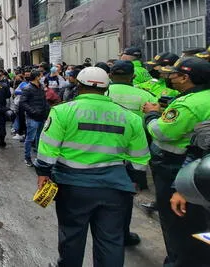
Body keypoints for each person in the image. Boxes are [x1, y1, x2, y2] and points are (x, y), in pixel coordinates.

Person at [35, 67, 150, 267]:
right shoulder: (130, 117)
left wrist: (43, 174)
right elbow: (140, 158)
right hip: (115, 188)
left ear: (78, 86)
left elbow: (48, 149)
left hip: (72, 187)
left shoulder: (62, 112)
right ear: (106, 89)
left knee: (71, 235)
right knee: (111, 240)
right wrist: (133, 182)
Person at [142, 57, 210, 266]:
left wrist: (152, 115)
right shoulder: (201, 98)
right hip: (199, 168)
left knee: (176, 221)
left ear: (184, 78)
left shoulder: (187, 104)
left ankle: (177, 260)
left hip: (176, 168)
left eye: (173, 73)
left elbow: (162, 132)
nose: (169, 76)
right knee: (199, 221)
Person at [106, 60, 159, 246]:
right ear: (133, 76)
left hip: (101, 154)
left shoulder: (102, 93)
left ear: (110, 75)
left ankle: (104, 232)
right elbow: (151, 127)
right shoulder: (146, 96)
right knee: (124, 198)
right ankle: (123, 233)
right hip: (130, 156)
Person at [19, 70, 50, 167]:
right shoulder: (27, 88)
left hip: (41, 116)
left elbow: (44, 101)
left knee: (39, 138)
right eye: (40, 75)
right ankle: (27, 158)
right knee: (30, 138)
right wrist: (32, 111)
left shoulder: (40, 87)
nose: (42, 77)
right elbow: (22, 103)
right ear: (37, 77)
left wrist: (47, 112)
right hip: (32, 117)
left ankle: (39, 157)